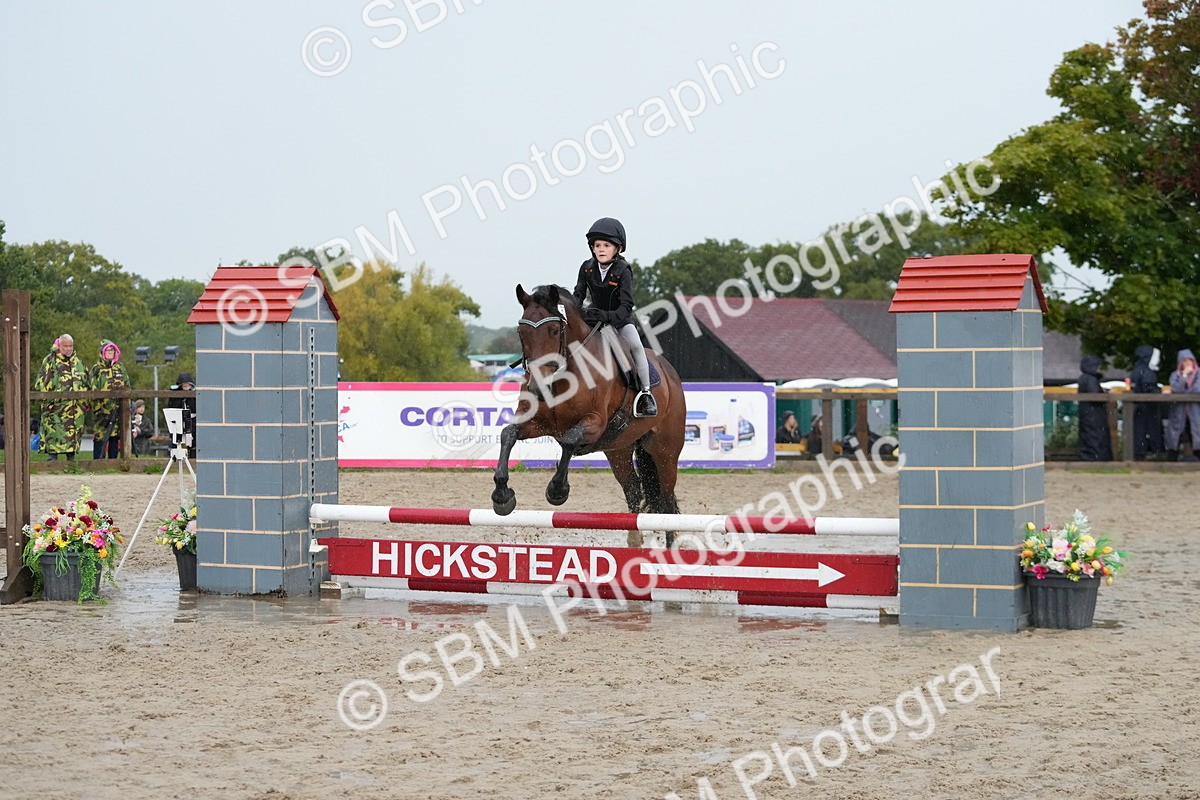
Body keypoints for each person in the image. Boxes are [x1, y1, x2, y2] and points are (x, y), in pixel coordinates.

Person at [572, 217, 657, 417]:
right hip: (594, 319)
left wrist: (608, 316)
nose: (601, 249)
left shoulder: (623, 270)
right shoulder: (586, 268)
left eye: (606, 245)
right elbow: (578, 296)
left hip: (619, 320)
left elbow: (626, 306)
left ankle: (645, 393)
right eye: (597, 245)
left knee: (636, 346)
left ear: (617, 249)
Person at [33, 334, 89, 461]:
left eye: (70, 346)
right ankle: (52, 465)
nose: (68, 349)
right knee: (54, 438)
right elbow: (41, 384)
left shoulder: (77, 362)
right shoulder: (50, 360)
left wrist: (84, 402)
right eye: (65, 346)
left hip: (75, 410)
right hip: (56, 409)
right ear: (59, 345)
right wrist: (50, 401)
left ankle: (72, 465)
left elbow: (86, 382)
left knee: (72, 441)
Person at [88, 339, 130, 459]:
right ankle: (98, 463)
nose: (110, 352)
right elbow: (92, 389)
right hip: (101, 412)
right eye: (108, 350)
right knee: (100, 436)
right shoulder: (96, 369)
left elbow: (127, 386)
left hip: (118, 410)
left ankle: (113, 463)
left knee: (115, 436)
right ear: (102, 352)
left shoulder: (120, 367)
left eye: (112, 349)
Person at [1129, 345, 1163, 460]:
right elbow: (1149, 388)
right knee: (1148, 429)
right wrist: (1160, 391)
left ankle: (1140, 452)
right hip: (1147, 407)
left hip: (1140, 407)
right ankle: (1151, 452)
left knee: (1139, 430)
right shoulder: (1147, 372)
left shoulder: (1137, 369)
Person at [1165, 349, 1200, 461]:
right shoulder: (1175, 375)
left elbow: (1197, 389)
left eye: (1190, 360)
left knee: (1196, 434)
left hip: (1195, 412)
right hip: (1178, 412)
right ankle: (1171, 463)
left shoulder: (1199, 374)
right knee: (1175, 436)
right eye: (1185, 360)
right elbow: (1176, 388)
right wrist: (1184, 376)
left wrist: (1182, 392)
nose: (1188, 363)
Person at [1076, 355, 1112, 461]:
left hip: (1087, 413)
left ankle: (1089, 457)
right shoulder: (1090, 379)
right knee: (1096, 437)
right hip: (1094, 414)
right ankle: (1097, 458)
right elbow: (1095, 395)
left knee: (1088, 436)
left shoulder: (1084, 378)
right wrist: (1105, 395)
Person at [167, 372, 197, 458]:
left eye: (188, 385)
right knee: (177, 440)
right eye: (184, 385)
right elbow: (172, 407)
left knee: (193, 441)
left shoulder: (195, 394)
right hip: (178, 421)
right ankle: (175, 458)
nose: (186, 387)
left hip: (192, 421)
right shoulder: (175, 395)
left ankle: (193, 458)